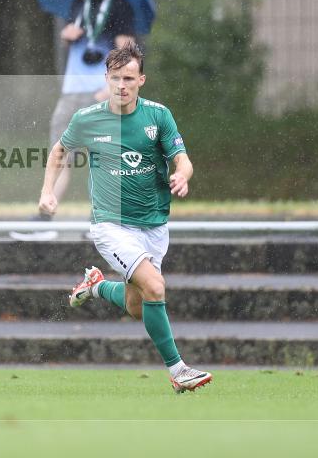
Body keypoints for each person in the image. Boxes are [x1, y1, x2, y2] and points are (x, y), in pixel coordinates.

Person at [38, 42, 212, 393]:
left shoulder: (158, 116)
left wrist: (183, 175)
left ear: (141, 80)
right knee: (155, 287)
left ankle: (97, 286)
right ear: (106, 78)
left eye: (128, 78)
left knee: (138, 306)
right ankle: (178, 371)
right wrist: (47, 191)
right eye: (115, 78)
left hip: (154, 224)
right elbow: (59, 151)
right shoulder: (87, 118)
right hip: (110, 225)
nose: (121, 85)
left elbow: (183, 158)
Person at [12, 0, 135, 240]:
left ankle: (101, 222)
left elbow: (127, 52)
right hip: (72, 90)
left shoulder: (120, 6)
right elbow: (74, 35)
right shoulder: (79, 3)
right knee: (58, 154)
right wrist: (68, 35)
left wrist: (113, 88)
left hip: (102, 91)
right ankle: (45, 217)